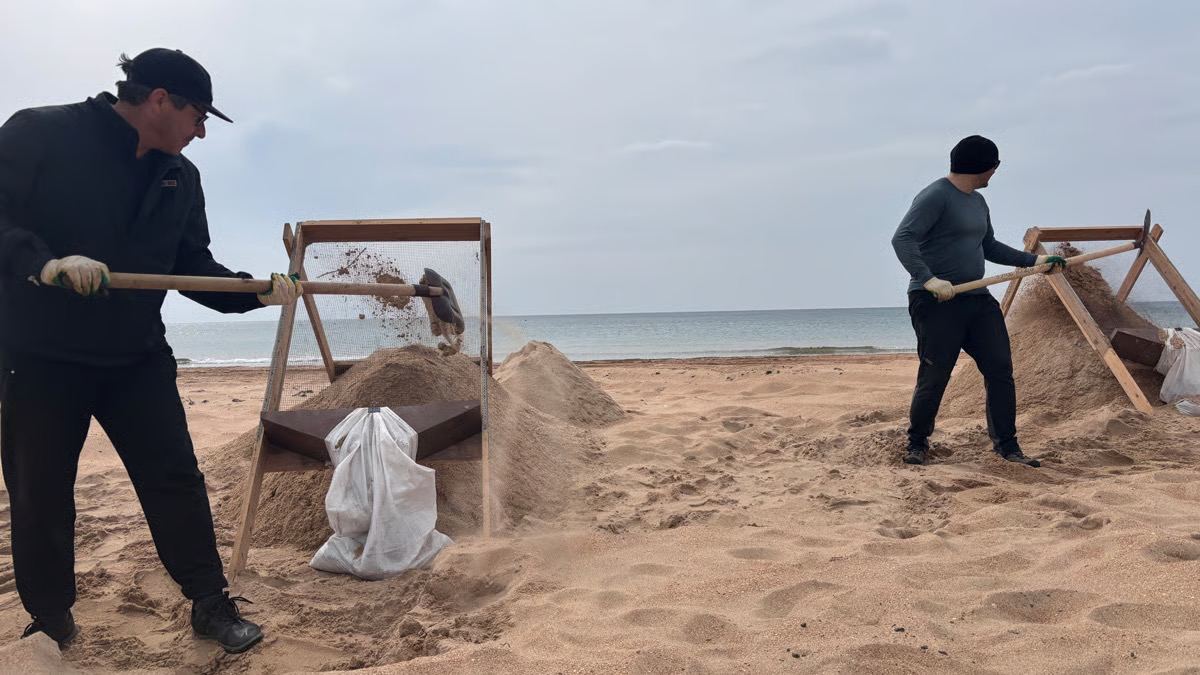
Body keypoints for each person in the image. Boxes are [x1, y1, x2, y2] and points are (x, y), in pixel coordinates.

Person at [0, 48, 301, 653]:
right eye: (199, 116)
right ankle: (52, 617)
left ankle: (210, 604)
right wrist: (44, 264)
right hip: (37, 355)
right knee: (39, 490)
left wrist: (256, 292)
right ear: (159, 99)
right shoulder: (40, 133)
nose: (202, 131)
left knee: (175, 478)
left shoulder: (181, 178)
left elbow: (192, 268)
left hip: (134, 356)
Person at [891, 135, 1065, 468]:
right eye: (995, 167)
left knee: (1000, 370)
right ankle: (917, 443)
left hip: (977, 300)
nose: (994, 174)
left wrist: (1034, 262)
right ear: (986, 166)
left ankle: (1008, 447)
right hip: (936, 300)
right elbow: (902, 238)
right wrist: (928, 278)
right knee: (936, 373)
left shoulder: (977, 202)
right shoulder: (935, 196)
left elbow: (989, 247)